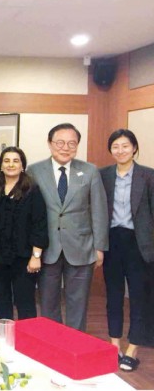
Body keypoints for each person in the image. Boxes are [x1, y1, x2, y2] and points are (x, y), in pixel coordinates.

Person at [27, 122, 108, 332]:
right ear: (49, 143)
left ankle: (75, 343)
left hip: (82, 247)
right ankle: (52, 341)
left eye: (72, 143)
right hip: (47, 248)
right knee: (48, 302)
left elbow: (99, 210)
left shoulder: (89, 171)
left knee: (78, 304)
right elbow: (28, 212)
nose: (65, 147)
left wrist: (99, 247)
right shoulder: (34, 171)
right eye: (60, 142)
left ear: (77, 145)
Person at [100, 129, 154, 372]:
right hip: (112, 241)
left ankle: (133, 349)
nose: (120, 150)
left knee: (139, 297)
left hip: (139, 244)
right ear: (110, 150)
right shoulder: (103, 175)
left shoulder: (148, 175)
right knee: (113, 295)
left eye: (125, 146)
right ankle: (114, 346)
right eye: (115, 146)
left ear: (134, 148)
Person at [0, 146, 48, 320]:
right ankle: (5, 336)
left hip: (24, 256)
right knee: (1, 299)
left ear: (22, 166)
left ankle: (27, 337)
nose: (11, 165)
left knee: (25, 301)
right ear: (1, 165)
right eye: (7, 161)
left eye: (15, 161)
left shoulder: (32, 190)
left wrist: (36, 256)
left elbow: (39, 224)